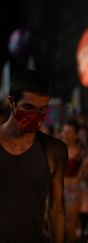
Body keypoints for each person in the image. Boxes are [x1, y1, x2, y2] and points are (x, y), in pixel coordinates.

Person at [0, 69, 67, 243]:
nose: (35, 116)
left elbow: (56, 208)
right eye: (28, 107)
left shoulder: (55, 150)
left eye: (42, 109)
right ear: (12, 103)